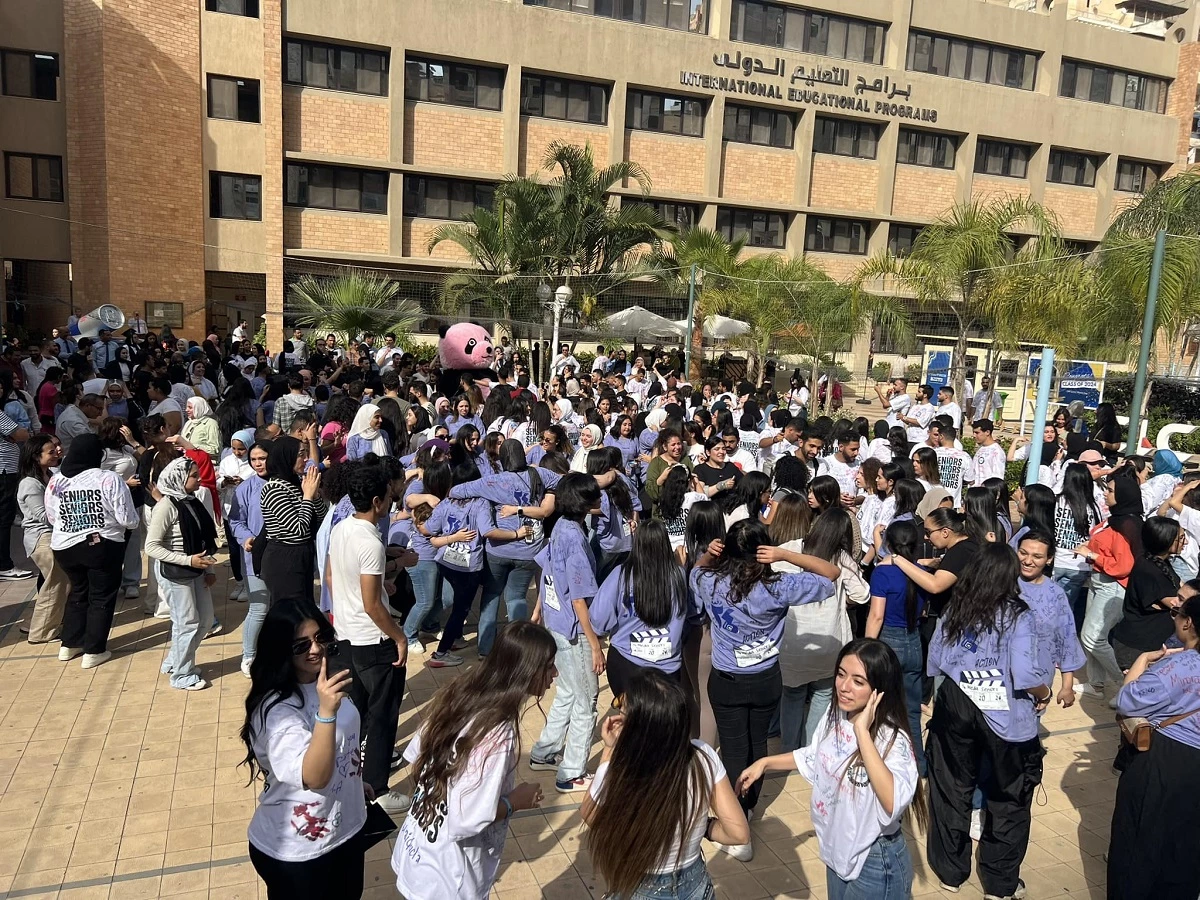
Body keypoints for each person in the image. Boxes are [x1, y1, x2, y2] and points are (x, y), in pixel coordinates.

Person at [690, 519, 839, 859]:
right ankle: (748, 806)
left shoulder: (709, 581)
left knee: (732, 746)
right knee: (758, 745)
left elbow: (695, 571)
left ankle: (734, 819)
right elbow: (830, 573)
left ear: (726, 549)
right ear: (763, 552)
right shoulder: (779, 585)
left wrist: (708, 556)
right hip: (766, 679)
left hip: (726, 681)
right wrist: (785, 554)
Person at [737, 639, 925, 900]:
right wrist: (766, 763)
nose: (844, 687)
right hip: (836, 849)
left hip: (873, 860)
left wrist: (862, 733)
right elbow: (816, 757)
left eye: (858, 681)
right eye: (840, 674)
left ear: (879, 690)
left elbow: (893, 802)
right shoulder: (835, 714)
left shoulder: (893, 739)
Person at [392, 622, 556, 900]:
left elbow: (416, 752)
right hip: (448, 879)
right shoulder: (498, 736)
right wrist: (515, 801)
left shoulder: (461, 694)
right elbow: (467, 818)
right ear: (526, 671)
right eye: (549, 666)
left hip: (417, 849)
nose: (555, 673)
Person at [924, 542, 1052, 899]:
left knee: (951, 788)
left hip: (955, 702)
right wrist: (1044, 695)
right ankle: (999, 884)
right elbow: (1025, 673)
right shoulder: (1018, 614)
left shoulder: (958, 606)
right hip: (1004, 713)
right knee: (1009, 799)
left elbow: (936, 655)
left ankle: (951, 872)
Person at [582, 668, 749, 900]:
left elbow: (590, 814)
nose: (618, 711)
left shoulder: (620, 768)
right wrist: (704, 827)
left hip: (640, 885)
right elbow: (739, 833)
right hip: (696, 885)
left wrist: (609, 749)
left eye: (622, 707)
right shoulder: (704, 756)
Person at [241, 604, 368, 898]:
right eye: (301, 645)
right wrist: (326, 713)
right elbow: (313, 777)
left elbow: (341, 744)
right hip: (298, 851)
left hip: (346, 829)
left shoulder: (324, 682)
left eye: (321, 637)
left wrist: (352, 781)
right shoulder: (277, 711)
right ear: (280, 651)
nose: (316, 649)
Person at [1107, 587, 1200, 900]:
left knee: (1138, 847)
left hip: (1163, 762)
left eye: (1178, 613)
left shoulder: (1174, 669)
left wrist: (1144, 659)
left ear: (1188, 624)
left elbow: (1125, 701)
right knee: (1185, 852)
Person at [328, 465, 412, 813]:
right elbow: (372, 604)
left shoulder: (341, 529)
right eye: (390, 499)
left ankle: (346, 777)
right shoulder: (371, 541)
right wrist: (400, 637)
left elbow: (332, 578)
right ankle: (377, 787)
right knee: (382, 718)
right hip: (375, 643)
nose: (392, 504)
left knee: (355, 715)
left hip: (346, 637)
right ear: (377, 501)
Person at [448, 439, 560, 657]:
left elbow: (456, 491)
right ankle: (517, 650)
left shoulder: (491, 482)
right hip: (529, 548)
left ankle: (485, 649)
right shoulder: (540, 475)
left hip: (497, 548)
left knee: (491, 596)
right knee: (517, 597)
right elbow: (566, 481)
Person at [529, 473, 604, 793]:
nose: (600, 501)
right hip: (574, 632)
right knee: (587, 702)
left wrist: (538, 612)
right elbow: (578, 598)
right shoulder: (574, 538)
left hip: (555, 623)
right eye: (594, 497)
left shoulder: (560, 526)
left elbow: (547, 572)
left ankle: (544, 751)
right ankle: (571, 772)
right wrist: (595, 644)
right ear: (583, 503)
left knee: (569, 693)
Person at [44, 433, 139, 668]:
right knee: (101, 597)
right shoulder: (108, 478)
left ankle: (70, 645)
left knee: (78, 592)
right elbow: (128, 519)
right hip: (101, 545)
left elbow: (52, 516)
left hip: (64, 547)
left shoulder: (56, 481)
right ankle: (94, 651)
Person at [590, 520, 692, 697]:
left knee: (629, 719)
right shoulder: (679, 576)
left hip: (625, 665)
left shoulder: (621, 575)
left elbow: (598, 621)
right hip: (667, 669)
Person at [145, 457, 218, 691]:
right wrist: (188, 560)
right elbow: (152, 547)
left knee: (205, 621)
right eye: (194, 476)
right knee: (187, 623)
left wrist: (208, 567)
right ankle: (182, 673)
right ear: (179, 479)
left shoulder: (191, 501)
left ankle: (176, 660)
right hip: (177, 573)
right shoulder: (166, 506)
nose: (199, 479)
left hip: (196, 570)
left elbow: (205, 539)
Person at [866, 519, 929, 775]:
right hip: (913, 642)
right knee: (912, 711)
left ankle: (880, 764)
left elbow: (876, 615)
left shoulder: (882, 572)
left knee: (879, 708)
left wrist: (867, 648)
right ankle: (918, 765)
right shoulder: (920, 573)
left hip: (888, 641)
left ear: (889, 544)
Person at [1110, 517, 1185, 671]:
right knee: (1134, 692)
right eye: (1181, 538)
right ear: (1166, 540)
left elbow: (1183, 587)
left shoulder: (1160, 563)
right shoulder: (1149, 570)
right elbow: (1178, 603)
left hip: (1146, 645)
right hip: (1137, 648)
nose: (1186, 542)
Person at [259, 436, 326, 607]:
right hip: (284, 558)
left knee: (304, 608)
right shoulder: (273, 488)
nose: (305, 459)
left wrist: (315, 494)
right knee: (290, 612)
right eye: (300, 455)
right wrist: (308, 497)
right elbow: (298, 529)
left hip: (303, 554)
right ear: (286, 457)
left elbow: (322, 517)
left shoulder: (297, 482)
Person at [19, 434, 68, 642]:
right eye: (51, 451)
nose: (57, 452)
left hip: (54, 535)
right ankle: (40, 633)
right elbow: (44, 516)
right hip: (41, 538)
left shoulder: (49, 475)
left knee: (54, 583)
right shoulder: (30, 484)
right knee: (56, 582)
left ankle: (35, 623)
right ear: (35, 457)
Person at [230, 439, 272, 677]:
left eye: (262, 458)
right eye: (254, 459)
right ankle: (249, 656)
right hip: (254, 558)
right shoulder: (245, 488)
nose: (258, 464)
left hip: (281, 558)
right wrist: (246, 538)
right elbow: (236, 520)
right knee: (258, 607)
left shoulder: (285, 483)